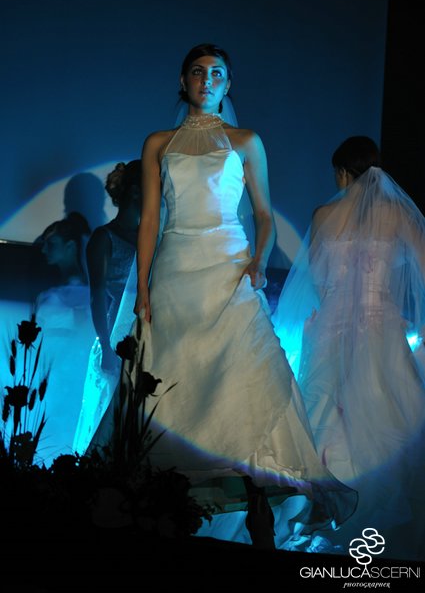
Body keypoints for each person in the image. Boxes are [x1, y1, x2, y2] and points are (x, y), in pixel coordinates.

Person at [89, 43, 358, 550]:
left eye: (217, 73)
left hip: (229, 267)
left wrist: (258, 259)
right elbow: (151, 220)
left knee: (246, 372)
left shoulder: (246, 141)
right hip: (175, 267)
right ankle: (155, 507)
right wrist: (142, 285)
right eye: (198, 71)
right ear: (183, 80)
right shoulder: (158, 143)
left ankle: (258, 507)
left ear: (228, 84)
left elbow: (264, 214)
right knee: (167, 372)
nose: (207, 80)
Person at [272, 136, 425, 560]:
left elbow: (318, 280)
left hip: (332, 329)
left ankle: (326, 504)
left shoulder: (324, 215)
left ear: (341, 172)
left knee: (325, 413)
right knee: (393, 411)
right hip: (380, 328)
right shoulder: (396, 214)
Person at [73, 160, 141, 456]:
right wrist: (105, 345)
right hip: (114, 337)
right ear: (136, 191)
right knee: (107, 419)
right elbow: (97, 296)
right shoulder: (104, 237)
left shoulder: (150, 237)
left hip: (143, 338)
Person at [34, 212, 95, 465]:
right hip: (50, 374)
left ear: (70, 247)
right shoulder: (47, 294)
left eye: (52, 244)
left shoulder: (90, 294)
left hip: (74, 373)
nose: (44, 250)